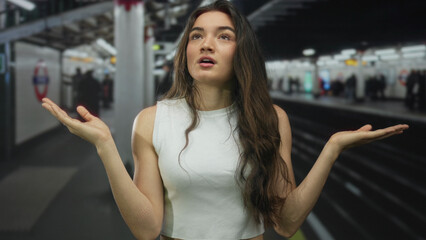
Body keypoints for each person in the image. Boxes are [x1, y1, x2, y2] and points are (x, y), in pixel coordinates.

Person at [41, 1, 408, 239]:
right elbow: (146, 228)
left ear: (241, 52)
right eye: (196, 35)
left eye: (223, 36)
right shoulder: (152, 120)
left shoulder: (270, 119)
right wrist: (106, 147)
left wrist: (331, 149)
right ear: (185, 51)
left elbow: (287, 221)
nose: (206, 44)